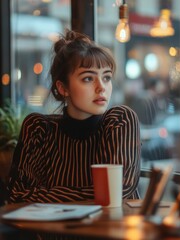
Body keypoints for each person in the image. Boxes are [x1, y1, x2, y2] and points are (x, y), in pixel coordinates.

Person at [7, 29, 141, 204]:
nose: (102, 87)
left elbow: (116, 191)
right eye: (88, 79)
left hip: (109, 230)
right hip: (52, 231)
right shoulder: (38, 129)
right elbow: (17, 194)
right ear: (63, 88)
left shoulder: (120, 120)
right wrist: (96, 193)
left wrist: (46, 195)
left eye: (106, 77)